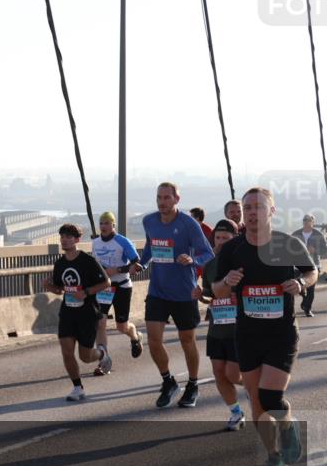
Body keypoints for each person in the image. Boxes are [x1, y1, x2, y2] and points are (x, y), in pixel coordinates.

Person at [213, 188, 317, 466]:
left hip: (281, 333)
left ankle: (287, 423)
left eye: (258, 206)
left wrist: (301, 282)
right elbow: (217, 290)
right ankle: (273, 458)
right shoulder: (232, 249)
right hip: (247, 334)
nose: (252, 212)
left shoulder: (288, 244)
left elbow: (312, 271)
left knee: (271, 396)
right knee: (257, 402)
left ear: (272, 211)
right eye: (247, 207)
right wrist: (226, 281)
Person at [131, 182, 214, 409]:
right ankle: (168, 381)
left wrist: (193, 261)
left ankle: (193, 384)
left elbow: (208, 253)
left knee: (187, 340)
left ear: (177, 199)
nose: (162, 202)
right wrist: (141, 263)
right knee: (154, 340)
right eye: (159, 197)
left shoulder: (188, 224)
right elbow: (150, 247)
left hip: (184, 292)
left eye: (167, 198)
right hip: (158, 290)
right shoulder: (149, 221)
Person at [43, 223, 111, 401]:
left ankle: (102, 354)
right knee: (66, 350)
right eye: (62, 237)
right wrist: (49, 286)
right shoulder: (60, 263)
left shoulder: (88, 261)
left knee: (86, 357)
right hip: (67, 313)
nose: (64, 241)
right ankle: (77, 387)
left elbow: (106, 283)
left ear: (77, 240)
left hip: (87, 314)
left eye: (68, 237)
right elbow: (60, 290)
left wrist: (86, 292)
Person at [196, 219, 246, 431]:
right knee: (218, 372)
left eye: (226, 238)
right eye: (218, 238)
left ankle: (262, 387)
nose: (221, 242)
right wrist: (201, 297)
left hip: (239, 329)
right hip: (217, 327)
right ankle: (236, 412)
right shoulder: (210, 265)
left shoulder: (244, 262)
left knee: (234, 374)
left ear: (235, 239)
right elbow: (210, 297)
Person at [91, 211, 144, 373]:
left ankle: (135, 336)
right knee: (100, 324)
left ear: (113, 225)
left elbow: (137, 265)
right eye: (101, 223)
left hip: (121, 286)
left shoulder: (122, 242)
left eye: (107, 223)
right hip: (103, 288)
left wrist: (117, 269)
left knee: (122, 327)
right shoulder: (96, 242)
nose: (103, 226)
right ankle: (104, 360)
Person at [292, 214, 326, 317]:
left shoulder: (318, 235)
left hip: (314, 265)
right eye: (304, 220)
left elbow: (325, 250)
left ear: (313, 222)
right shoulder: (296, 234)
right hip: (298, 265)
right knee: (297, 285)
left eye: (308, 220)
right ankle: (303, 293)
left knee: (311, 288)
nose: (306, 222)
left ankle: (307, 308)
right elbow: (289, 248)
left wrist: (315, 250)